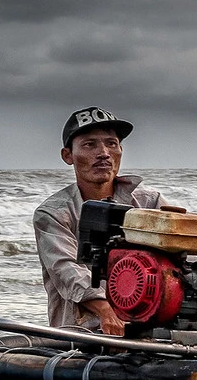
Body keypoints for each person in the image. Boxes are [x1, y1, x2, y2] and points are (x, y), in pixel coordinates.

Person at [33, 107, 162, 336]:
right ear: (67, 155)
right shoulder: (53, 213)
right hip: (82, 336)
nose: (103, 153)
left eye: (111, 143)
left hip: (152, 327)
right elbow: (65, 269)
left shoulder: (149, 202)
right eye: (89, 145)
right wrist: (105, 310)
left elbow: (187, 254)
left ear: (121, 150)